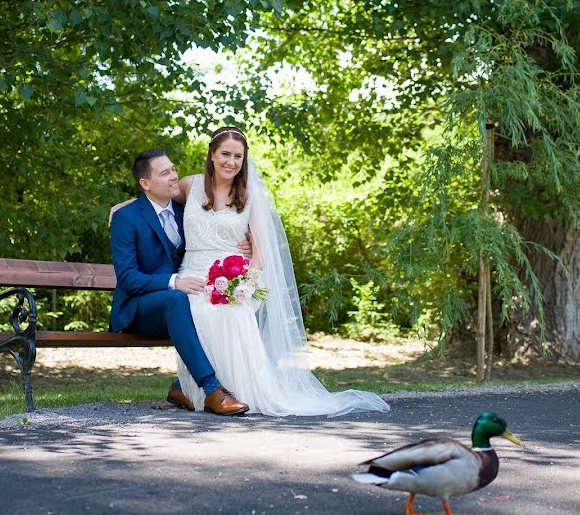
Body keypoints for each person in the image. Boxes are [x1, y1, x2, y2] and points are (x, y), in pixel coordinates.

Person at [153, 126, 389, 417]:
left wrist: (244, 286)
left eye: (238, 156)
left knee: (227, 310)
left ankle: (217, 390)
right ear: (212, 155)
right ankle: (200, 389)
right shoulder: (192, 185)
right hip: (192, 274)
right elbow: (156, 196)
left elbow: (261, 253)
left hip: (232, 278)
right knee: (196, 308)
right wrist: (124, 205)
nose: (231, 161)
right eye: (225, 153)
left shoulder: (250, 195)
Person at [109, 149, 251, 416]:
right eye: (165, 173)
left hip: (179, 307)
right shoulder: (126, 218)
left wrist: (246, 246)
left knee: (222, 304)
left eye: (173, 169)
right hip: (139, 309)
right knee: (177, 298)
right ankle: (211, 389)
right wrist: (175, 281)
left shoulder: (185, 211)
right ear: (145, 184)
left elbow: (212, 235)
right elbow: (127, 278)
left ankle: (182, 387)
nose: (174, 176)